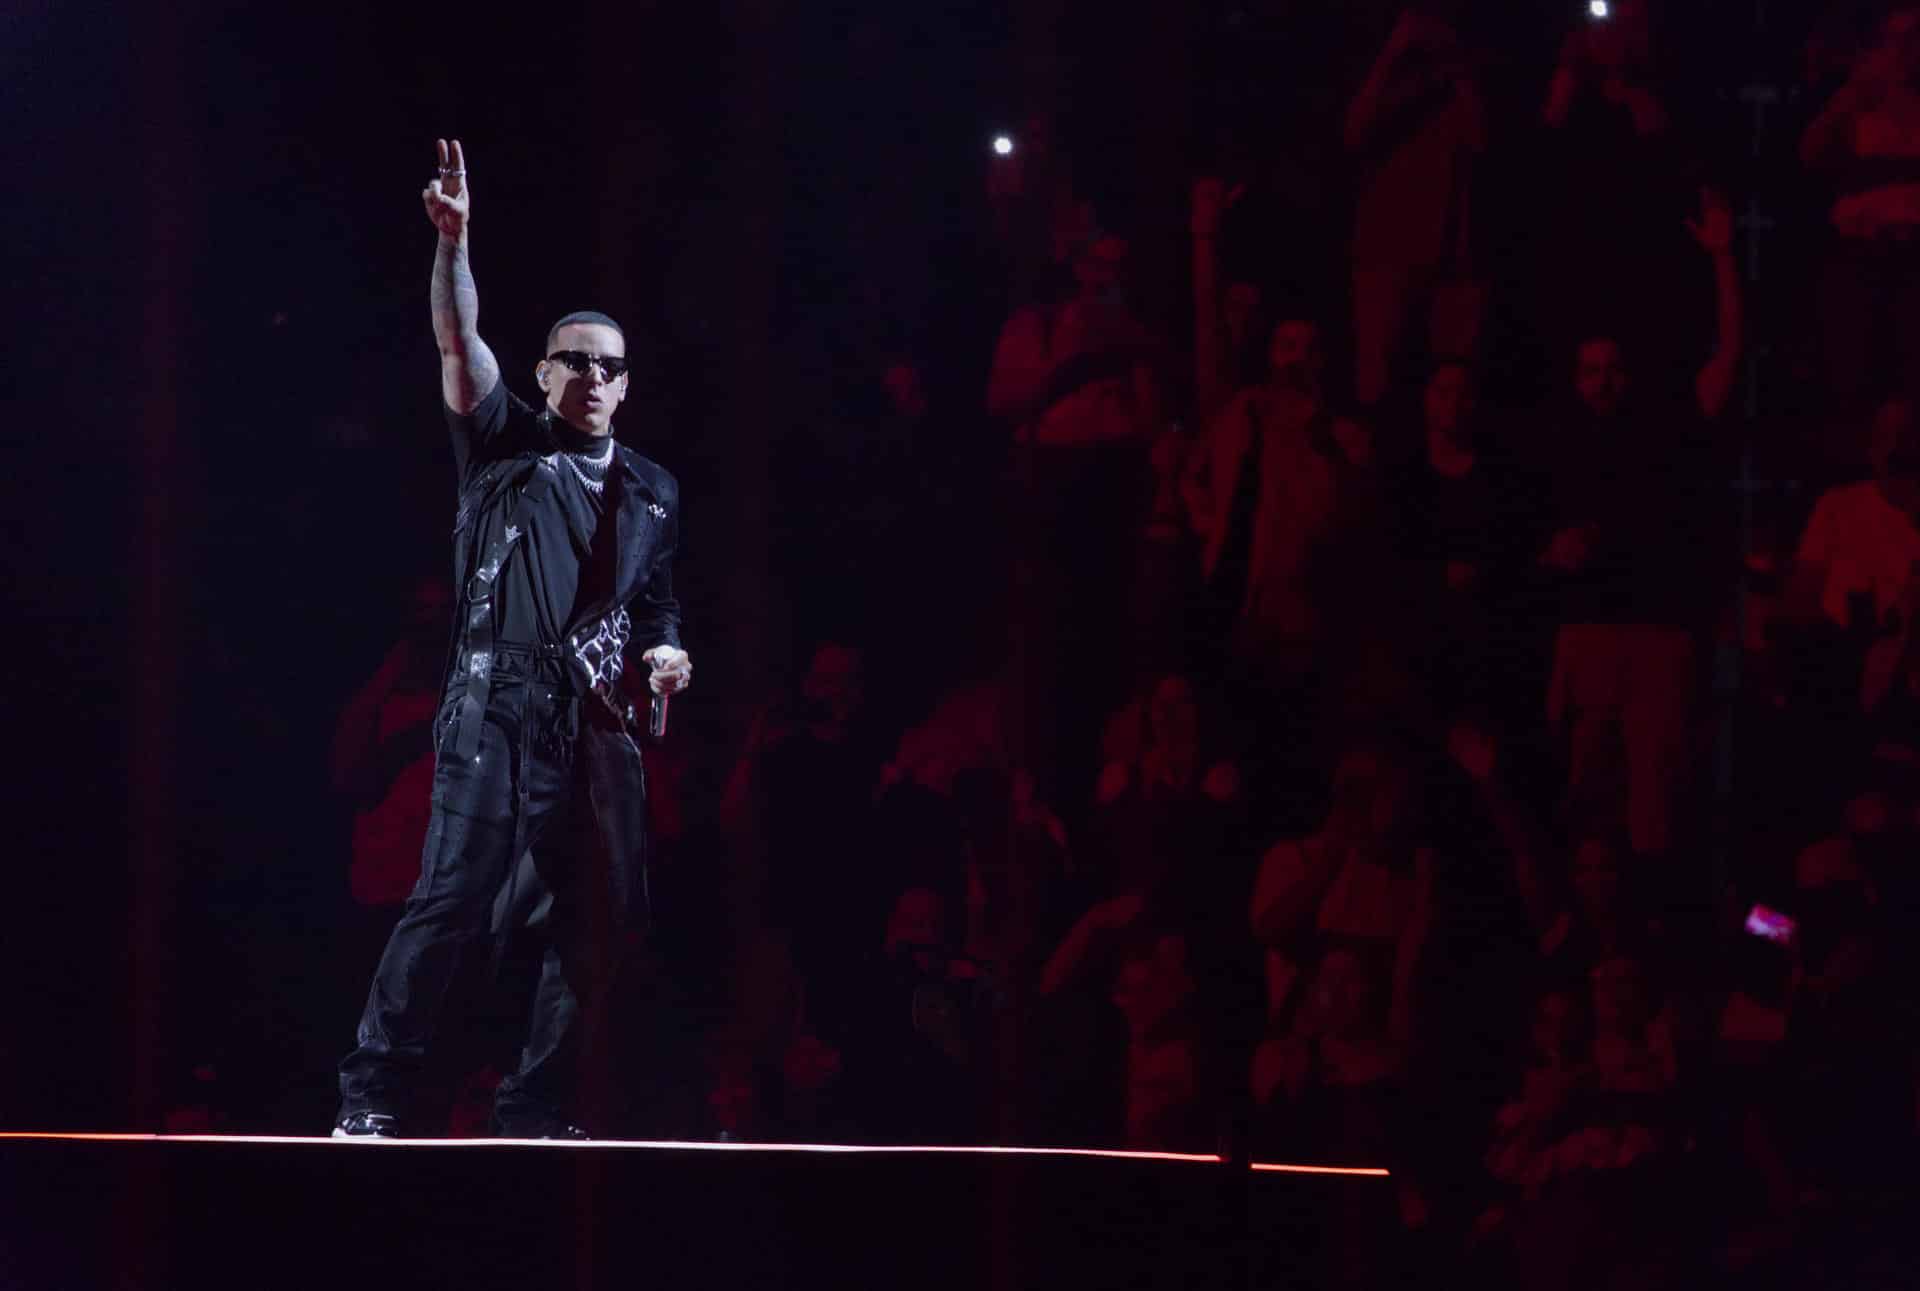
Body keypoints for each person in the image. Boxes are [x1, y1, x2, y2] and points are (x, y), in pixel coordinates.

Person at [334, 140, 693, 1139]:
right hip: (494, 699)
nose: (590, 375)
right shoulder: (504, 442)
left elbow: (654, 603)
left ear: (626, 385)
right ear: (544, 371)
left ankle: (536, 1108)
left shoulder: (653, 488)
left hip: (590, 721)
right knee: (452, 897)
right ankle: (372, 1094)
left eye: (608, 366)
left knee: (597, 920)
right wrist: (453, 245)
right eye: (572, 358)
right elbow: (460, 342)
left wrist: (669, 653)